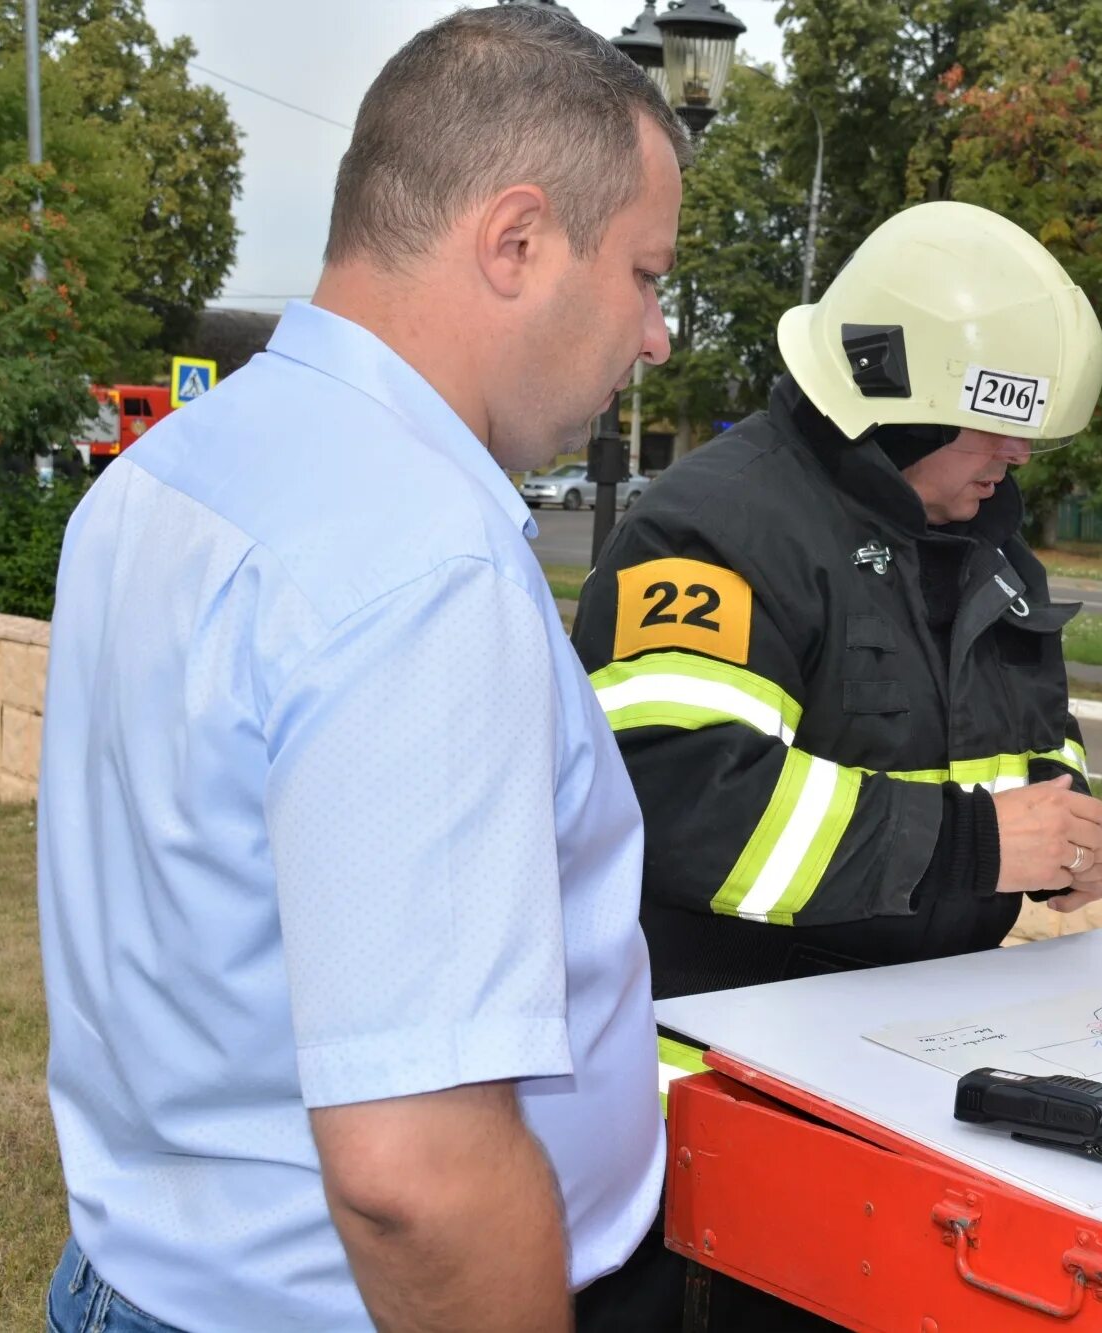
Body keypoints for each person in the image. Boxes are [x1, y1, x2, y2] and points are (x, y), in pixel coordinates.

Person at [37, 9, 688, 1331]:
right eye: (646, 274)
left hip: (148, 1271)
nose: (658, 334)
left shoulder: (169, 471)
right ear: (515, 242)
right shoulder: (419, 563)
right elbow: (416, 1176)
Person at [570, 200, 1102, 1329]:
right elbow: (683, 804)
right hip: (715, 1108)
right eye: (993, 431)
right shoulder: (713, 532)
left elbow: (1024, 742)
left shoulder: (980, 534)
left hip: (904, 1075)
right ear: (898, 404)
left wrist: (1067, 826)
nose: (1016, 459)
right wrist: (979, 841)